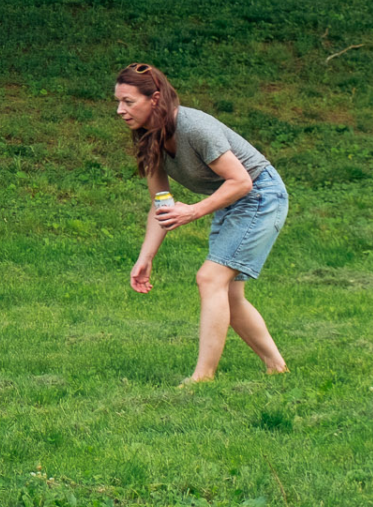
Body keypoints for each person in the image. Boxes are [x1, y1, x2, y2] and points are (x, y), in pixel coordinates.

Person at [115, 63, 290, 384]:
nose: (120, 110)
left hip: (260, 194)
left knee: (210, 279)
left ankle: (203, 377)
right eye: (118, 102)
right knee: (229, 295)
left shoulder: (193, 127)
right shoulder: (148, 136)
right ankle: (277, 368)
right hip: (232, 199)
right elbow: (162, 203)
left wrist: (193, 211)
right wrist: (145, 258)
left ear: (154, 99)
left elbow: (241, 182)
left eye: (128, 101)